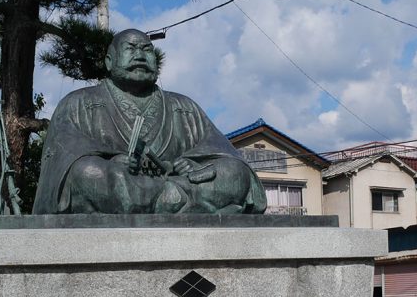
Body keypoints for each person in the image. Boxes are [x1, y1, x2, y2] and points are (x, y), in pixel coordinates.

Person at [32, 29, 266, 215]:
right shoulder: (78, 103)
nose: (140, 55)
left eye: (147, 49)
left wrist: (193, 165)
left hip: (175, 184)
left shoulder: (183, 106)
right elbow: (63, 164)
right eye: (130, 48)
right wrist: (113, 166)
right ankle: (178, 203)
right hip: (124, 184)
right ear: (109, 61)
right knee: (87, 172)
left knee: (235, 172)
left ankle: (155, 201)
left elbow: (222, 155)